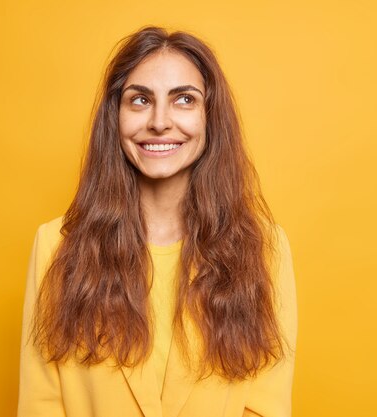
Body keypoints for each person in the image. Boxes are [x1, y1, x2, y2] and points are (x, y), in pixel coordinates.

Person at [17, 26, 298, 417]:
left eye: (184, 99)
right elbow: (41, 406)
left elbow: (265, 407)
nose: (160, 122)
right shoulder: (55, 245)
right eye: (140, 100)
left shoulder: (265, 250)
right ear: (115, 116)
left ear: (209, 117)